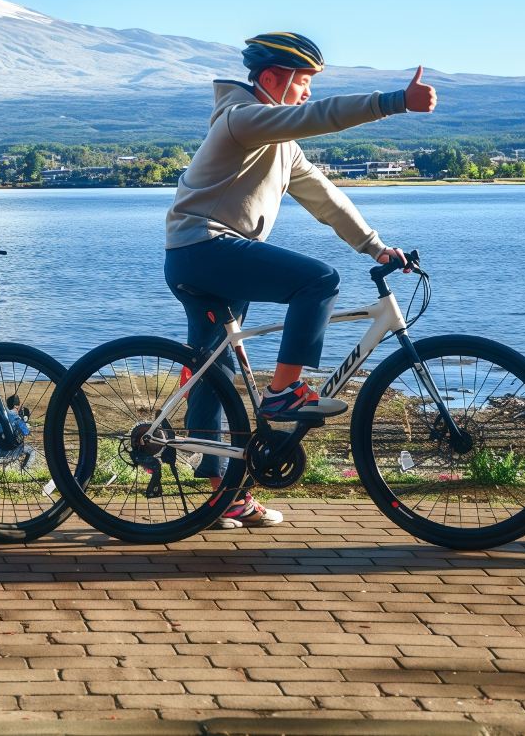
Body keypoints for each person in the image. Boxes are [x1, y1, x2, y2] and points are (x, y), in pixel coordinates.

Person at [166, 33, 436, 529]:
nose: (307, 92)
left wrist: (375, 245)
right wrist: (395, 102)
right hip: (204, 249)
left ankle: (224, 496)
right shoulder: (242, 120)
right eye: (304, 82)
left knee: (215, 369)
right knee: (318, 282)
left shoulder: (279, 146)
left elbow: (325, 198)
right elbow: (317, 117)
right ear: (272, 79)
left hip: (204, 257)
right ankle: (284, 390)